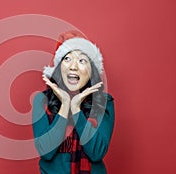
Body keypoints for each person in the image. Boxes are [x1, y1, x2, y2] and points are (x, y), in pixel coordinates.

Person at [32, 30, 115, 174]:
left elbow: (96, 153)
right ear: (59, 68)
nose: (73, 66)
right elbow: (46, 152)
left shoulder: (104, 102)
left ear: (91, 71)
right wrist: (65, 106)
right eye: (67, 59)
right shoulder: (42, 101)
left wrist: (76, 109)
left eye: (82, 60)